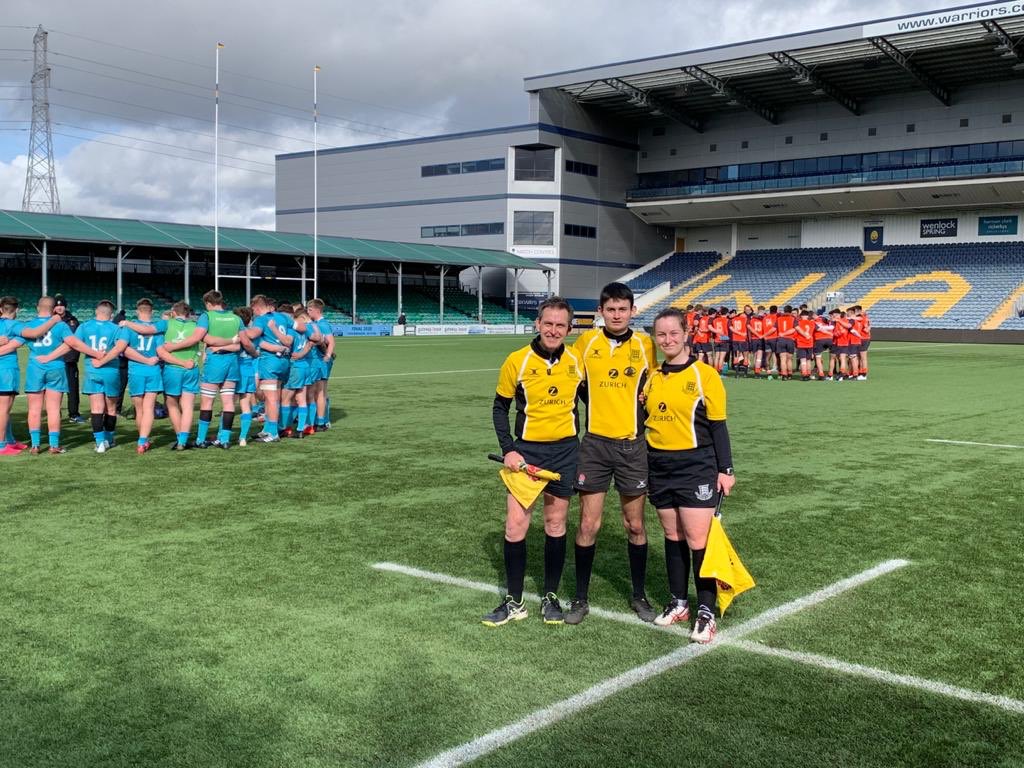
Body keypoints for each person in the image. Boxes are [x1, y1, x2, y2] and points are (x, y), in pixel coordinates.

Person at [483, 296, 584, 627]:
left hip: (566, 451)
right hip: (527, 453)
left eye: (560, 325)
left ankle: (550, 597)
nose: (554, 330)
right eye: (548, 323)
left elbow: (595, 403)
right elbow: (500, 407)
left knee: (556, 524)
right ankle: (514, 601)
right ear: (537, 324)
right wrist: (509, 448)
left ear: (569, 328)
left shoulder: (577, 362)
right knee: (515, 526)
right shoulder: (518, 360)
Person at [567, 282, 658, 625]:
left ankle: (638, 595)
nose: (617, 315)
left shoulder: (645, 344)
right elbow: (574, 383)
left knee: (635, 524)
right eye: (611, 309)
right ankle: (579, 597)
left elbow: (649, 389)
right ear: (600, 311)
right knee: (589, 523)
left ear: (633, 311)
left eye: (623, 309)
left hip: (632, 446)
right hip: (594, 445)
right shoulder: (586, 342)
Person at [643, 308, 735, 643]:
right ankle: (679, 602)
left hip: (696, 465)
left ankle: (706, 612)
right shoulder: (652, 376)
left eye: (673, 333)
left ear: (686, 334)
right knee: (673, 536)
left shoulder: (704, 375)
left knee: (698, 540)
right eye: (661, 334)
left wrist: (726, 469)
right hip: (659, 465)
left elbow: (718, 425)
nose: (667, 340)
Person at [19, 296, 83, 454]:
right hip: (56, 367)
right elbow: (72, 344)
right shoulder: (61, 325)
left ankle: (35, 445)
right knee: (54, 409)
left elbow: (14, 343)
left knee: (34, 409)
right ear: (54, 309)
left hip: (35, 368)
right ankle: (54, 445)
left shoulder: (28, 325)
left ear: (37, 307)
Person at [72, 300, 129, 453]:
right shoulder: (117, 328)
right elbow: (119, 349)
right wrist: (103, 359)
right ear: (111, 315)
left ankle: (99, 443)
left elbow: (75, 344)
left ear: (96, 311)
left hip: (92, 370)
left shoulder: (84, 326)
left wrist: (94, 356)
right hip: (111, 371)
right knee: (111, 408)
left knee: (96, 407)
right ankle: (109, 439)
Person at [117, 298, 166, 453]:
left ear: (138, 311)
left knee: (139, 409)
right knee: (149, 408)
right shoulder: (157, 329)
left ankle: (142, 438)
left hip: (136, 371)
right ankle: (142, 440)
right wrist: (151, 360)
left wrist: (143, 359)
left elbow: (124, 350)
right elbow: (160, 351)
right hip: (153, 370)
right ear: (152, 312)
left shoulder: (128, 328)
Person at [246, 295, 294, 443]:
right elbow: (299, 328)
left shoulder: (261, 319)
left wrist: (239, 331)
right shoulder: (282, 317)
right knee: (274, 397)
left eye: (253, 309)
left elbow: (253, 333)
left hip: (270, 362)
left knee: (271, 398)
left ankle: (273, 433)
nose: (253, 312)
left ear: (257, 307)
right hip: (283, 362)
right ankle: (268, 428)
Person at [157, 301, 201, 451]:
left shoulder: (166, 324)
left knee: (171, 404)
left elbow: (148, 330)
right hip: (192, 368)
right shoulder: (196, 326)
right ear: (188, 314)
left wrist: (128, 324)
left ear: (173, 313)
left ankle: (179, 437)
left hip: (173, 369)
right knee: (188, 406)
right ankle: (183, 440)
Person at [0, 296, 27, 454]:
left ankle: (9, 440)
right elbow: (11, 347)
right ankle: (2, 444)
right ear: (17, 310)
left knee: (5, 409)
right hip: (7, 371)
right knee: (3, 409)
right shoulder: (18, 325)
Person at [55, 295, 84, 424]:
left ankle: (74, 414)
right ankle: (55, 413)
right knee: (54, 389)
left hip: (70, 360)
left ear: (65, 306)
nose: (59, 307)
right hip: (55, 360)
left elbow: (75, 340)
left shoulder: (72, 320)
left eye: (61, 305)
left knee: (72, 388)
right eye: (57, 305)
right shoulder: (50, 320)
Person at [307, 298, 335, 432]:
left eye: (310, 310)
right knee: (320, 392)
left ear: (317, 310)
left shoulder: (322, 324)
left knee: (319, 392)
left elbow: (331, 342)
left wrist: (327, 356)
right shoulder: (317, 323)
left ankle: (321, 421)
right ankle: (322, 420)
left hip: (319, 362)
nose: (308, 312)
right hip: (318, 362)